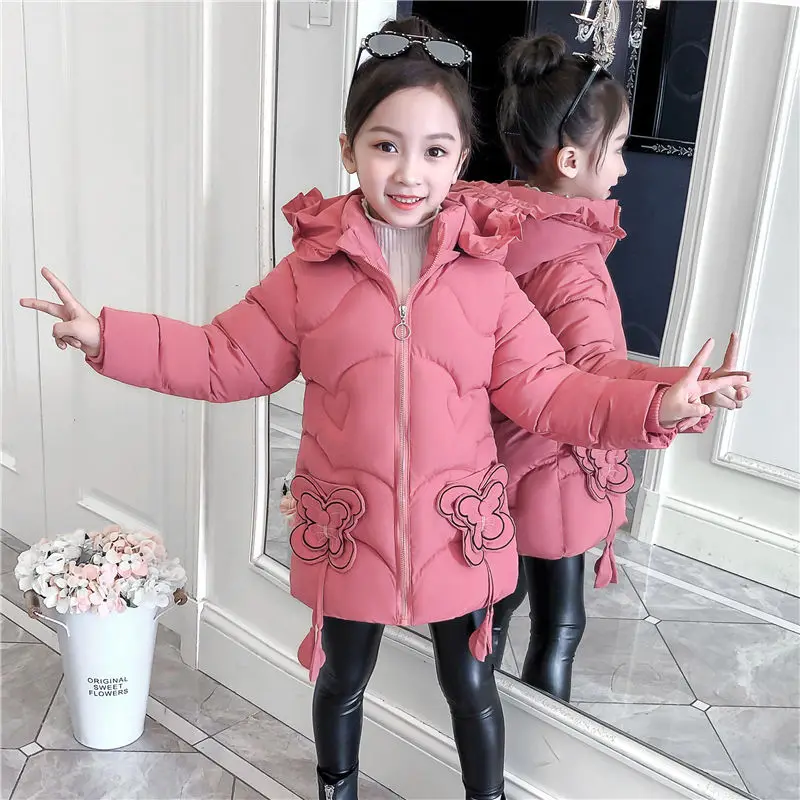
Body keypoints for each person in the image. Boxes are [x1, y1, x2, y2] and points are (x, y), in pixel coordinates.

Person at [20, 18, 748, 800]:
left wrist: (660, 401)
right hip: (351, 530)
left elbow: (553, 391)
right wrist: (109, 336)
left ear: (461, 161)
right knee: (340, 681)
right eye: (385, 145)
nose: (408, 172)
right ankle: (336, 789)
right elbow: (222, 356)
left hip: (460, 532)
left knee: (471, 688)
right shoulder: (308, 275)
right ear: (349, 150)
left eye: (434, 151)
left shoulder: (488, 282)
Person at [451, 33, 751, 703]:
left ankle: (472, 721)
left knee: (494, 608)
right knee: (560, 624)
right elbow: (594, 369)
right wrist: (681, 389)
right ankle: (531, 743)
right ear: (569, 159)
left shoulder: (491, 224)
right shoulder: (570, 265)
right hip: (552, 467)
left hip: (490, 457)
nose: (622, 167)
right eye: (615, 149)